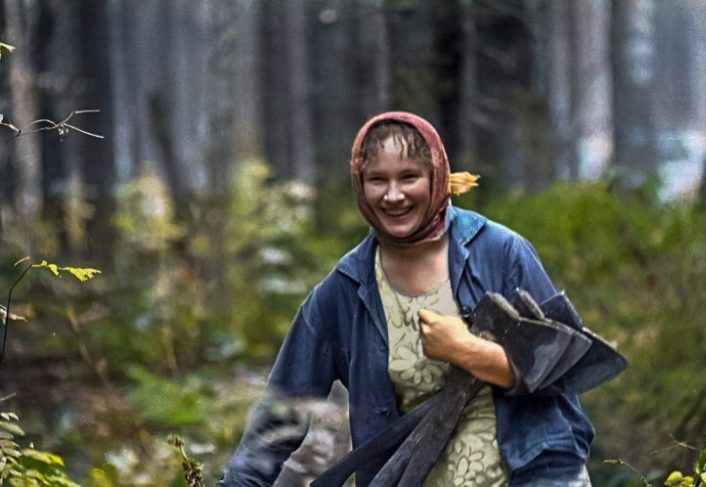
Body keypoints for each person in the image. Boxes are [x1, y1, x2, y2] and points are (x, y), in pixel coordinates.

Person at [222, 112, 594, 486]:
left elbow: (565, 367)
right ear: (360, 185)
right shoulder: (346, 289)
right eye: (377, 180)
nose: (393, 195)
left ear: (436, 176)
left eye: (409, 177)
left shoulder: (500, 253)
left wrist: (467, 350)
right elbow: (277, 421)